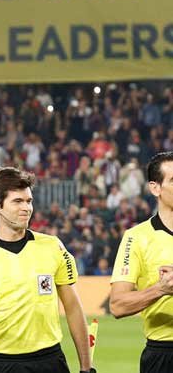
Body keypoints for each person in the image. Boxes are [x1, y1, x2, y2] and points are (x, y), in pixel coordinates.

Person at [0, 167, 93, 373]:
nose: (26, 208)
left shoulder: (53, 246)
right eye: (17, 201)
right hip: (0, 364)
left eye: (29, 201)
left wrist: (87, 368)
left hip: (49, 361)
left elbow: (74, 309)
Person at [110, 151, 173, 373]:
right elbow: (117, 305)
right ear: (155, 188)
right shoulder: (136, 237)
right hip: (163, 355)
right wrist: (161, 289)